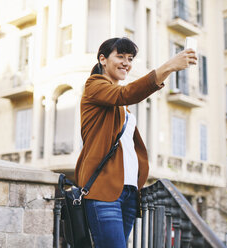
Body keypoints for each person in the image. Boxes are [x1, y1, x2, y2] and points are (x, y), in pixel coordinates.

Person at [74, 37, 197, 248]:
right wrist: (168, 66)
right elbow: (126, 94)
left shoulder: (122, 108)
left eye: (130, 58)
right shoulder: (94, 85)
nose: (126, 63)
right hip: (104, 189)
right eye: (120, 56)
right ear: (103, 60)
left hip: (129, 192)